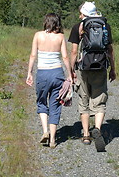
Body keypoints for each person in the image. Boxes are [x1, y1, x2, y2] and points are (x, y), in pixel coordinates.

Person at [68, 1, 116, 152]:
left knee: (84, 99)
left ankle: (86, 135)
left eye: (81, 12)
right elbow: (110, 50)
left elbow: (74, 52)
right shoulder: (104, 25)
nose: (79, 15)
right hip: (101, 67)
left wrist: (71, 70)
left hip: (83, 68)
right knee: (99, 100)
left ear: (84, 13)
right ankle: (97, 128)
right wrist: (113, 69)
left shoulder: (78, 27)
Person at [26, 13, 72, 149]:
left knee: (41, 102)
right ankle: (52, 139)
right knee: (55, 104)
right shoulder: (61, 37)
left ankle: (45, 131)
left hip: (42, 73)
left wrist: (29, 73)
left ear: (46, 22)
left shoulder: (38, 35)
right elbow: (65, 57)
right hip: (57, 73)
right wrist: (70, 74)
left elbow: (33, 55)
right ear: (58, 23)